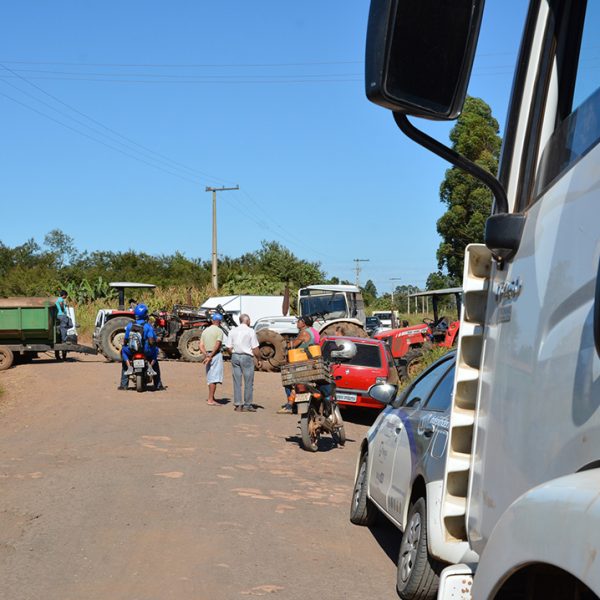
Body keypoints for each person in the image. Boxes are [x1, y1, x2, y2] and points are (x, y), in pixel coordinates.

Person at [119, 303, 165, 391]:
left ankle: (124, 384)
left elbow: (125, 340)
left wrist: (125, 345)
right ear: (145, 314)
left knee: (124, 352)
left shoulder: (130, 325)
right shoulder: (148, 326)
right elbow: (152, 341)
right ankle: (158, 384)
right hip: (146, 351)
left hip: (132, 351)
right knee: (155, 352)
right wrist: (155, 342)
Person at [278, 316, 316, 414]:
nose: (297, 323)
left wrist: (285, 344)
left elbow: (292, 345)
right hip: (309, 361)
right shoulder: (313, 331)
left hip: (300, 362)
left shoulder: (304, 333)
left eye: (299, 321)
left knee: (288, 382)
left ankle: (290, 406)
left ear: (303, 323)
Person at [227, 313, 261, 412]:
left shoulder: (232, 331)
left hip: (235, 356)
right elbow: (255, 348)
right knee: (248, 382)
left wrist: (232, 355)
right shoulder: (250, 331)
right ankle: (247, 405)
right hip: (247, 357)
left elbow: (228, 347)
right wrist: (259, 359)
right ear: (248, 321)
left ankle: (238, 404)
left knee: (237, 381)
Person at [200, 313, 225, 406]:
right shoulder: (219, 331)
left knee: (210, 376)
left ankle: (211, 397)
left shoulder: (205, 331)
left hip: (208, 355)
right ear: (220, 321)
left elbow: (201, 345)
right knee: (214, 378)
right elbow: (217, 344)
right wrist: (211, 356)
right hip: (215, 355)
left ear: (212, 320)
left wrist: (206, 355)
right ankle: (210, 399)